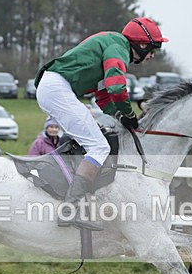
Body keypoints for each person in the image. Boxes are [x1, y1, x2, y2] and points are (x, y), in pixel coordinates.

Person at [34, 16, 168, 230]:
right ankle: (69, 208)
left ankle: (69, 190)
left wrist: (120, 117)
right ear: (142, 44)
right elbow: (116, 87)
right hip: (57, 88)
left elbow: (104, 96)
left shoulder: (114, 44)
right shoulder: (119, 49)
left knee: (96, 138)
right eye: (152, 49)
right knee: (99, 147)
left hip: (54, 88)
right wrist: (129, 114)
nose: (152, 55)